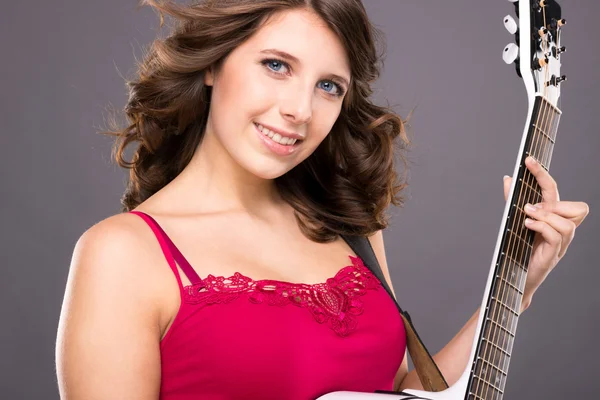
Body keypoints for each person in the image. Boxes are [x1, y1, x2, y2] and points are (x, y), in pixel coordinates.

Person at [55, 0, 589, 399]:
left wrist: (518, 283)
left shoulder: (350, 228)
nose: (300, 110)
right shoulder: (122, 254)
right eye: (277, 65)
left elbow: (399, 392)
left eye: (329, 86)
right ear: (213, 63)